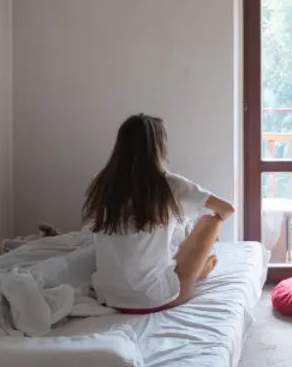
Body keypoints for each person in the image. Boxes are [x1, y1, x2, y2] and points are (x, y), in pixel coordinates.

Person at [84, 114, 235, 313]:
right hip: (156, 299)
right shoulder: (169, 183)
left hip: (109, 297)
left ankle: (191, 269)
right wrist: (210, 232)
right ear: (159, 145)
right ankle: (196, 271)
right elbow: (227, 209)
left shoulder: (101, 183)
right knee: (211, 221)